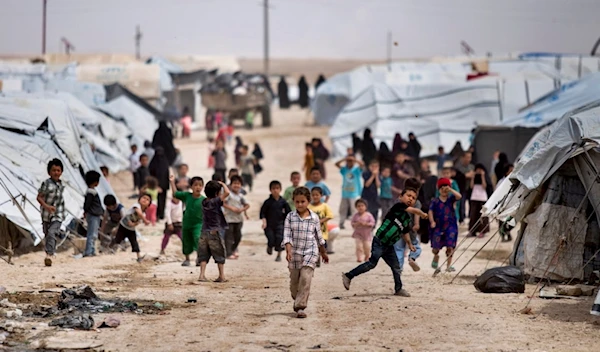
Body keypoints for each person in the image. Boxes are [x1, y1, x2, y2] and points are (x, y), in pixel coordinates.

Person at [342, 188, 428, 297]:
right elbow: (414, 211)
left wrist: (410, 244)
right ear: (401, 197)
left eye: (413, 198)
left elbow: (405, 232)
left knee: (396, 267)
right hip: (379, 241)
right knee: (372, 264)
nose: (410, 198)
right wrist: (421, 213)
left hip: (389, 246)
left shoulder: (406, 219)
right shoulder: (398, 206)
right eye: (408, 195)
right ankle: (348, 276)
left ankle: (398, 289)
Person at [283, 186, 329, 318]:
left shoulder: (314, 218)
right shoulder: (290, 217)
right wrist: (288, 250)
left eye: (302, 201)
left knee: (305, 277)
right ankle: (297, 296)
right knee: (294, 283)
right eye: (297, 202)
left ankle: (300, 306)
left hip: (310, 251)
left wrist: (323, 252)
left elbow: (319, 237)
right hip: (295, 253)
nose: (300, 204)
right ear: (293, 202)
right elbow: (287, 235)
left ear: (308, 201)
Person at [198, 180, 230, 282]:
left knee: (203, 254)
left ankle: (202, 275)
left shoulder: (204, 202)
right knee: (219, 253)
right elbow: (227, 193)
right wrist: (223, 184)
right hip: (215, 231)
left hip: (204, 231)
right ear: (217, 193)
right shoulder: (215, 201)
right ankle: (221, 276)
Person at [170, 175, 205, 267]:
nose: (198, 187)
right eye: (195, 185)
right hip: (186, 223)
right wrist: (172, 182)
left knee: (197, 239)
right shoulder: (186, 196)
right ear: (191, 187)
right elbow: (175, 194)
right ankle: (187, 259)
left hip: (198, 224)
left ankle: (199, 258)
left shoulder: (204, 200)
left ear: (202, 187)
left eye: (200, 185)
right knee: (186, 241)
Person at [429, 178, 462, 272]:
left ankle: (448, 265)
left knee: (450, 245)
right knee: (435, 247)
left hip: (450, 226)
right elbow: (430, 211)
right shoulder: (435, 201)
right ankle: (436, 256)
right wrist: (432, 221)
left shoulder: (451, 199)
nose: (444, 190)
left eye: (445, 188)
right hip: (438, 226)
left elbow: (459, 196)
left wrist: (450, 189)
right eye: (442, 188)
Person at [37, 159, 65, 267]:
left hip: (58, 214)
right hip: (46, 214)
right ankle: (50, 252)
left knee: (52, 232)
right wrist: (47, 207)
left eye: (58, 170)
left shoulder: (61, 185)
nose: (56, 173)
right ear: (49, 172)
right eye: (54, 170)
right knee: (47, 233)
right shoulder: (46, 184)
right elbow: (39, 197)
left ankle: (49, 255)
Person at [394, 178, 423, 272]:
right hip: (410, 230)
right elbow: (417, 214)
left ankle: (398, 269)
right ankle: (412, 258)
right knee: (416, 246)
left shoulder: (399, 200)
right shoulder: (416, 202)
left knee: (399, 249)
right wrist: (417, 224)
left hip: (398, 230)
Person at [111, 194, 151, 263]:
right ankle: (111, 247)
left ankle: (138, 256)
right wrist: (145, 220)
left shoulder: (144, 214)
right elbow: (139, 213)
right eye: (144, 198)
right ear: (139, 200)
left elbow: (138, 222)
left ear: (148, 205)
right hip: (123, 225)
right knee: (118, 239)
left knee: (134, 242)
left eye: (147, 200)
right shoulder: (136, 206)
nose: (145, 200)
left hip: (131, 229)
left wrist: (133, 224)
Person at [260, 180, 292, 262]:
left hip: (280, 224)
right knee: (271, 238)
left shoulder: (283, 202)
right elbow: (262, 213)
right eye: (273, 188)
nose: (275, 190)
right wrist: (264, 222)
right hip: (269, 225)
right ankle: (270, 246)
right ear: (270, 190)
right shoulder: (267, 202)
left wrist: (288, 224)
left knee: (280, 239)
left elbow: (289, 213)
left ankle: (279, 255)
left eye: (277, 188)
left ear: (280, 189)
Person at [223, 175, 249, 259]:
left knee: (238, 236)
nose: (236, 185)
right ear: (231, 185)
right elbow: (223, 203)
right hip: (229, 219)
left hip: (238, 219)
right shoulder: (229, 195)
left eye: (238, 184)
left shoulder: (241, 196)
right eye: (234, 183)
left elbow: (247, 205)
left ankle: (233, 249)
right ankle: (228, 253)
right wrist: (232, 208)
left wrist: (242, 209)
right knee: (229, 236)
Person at [336, 155, 364, 230]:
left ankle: (355, 224)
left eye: (351, 161)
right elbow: (337, 164)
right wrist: (345, 158)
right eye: (348, 161)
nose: (349, 162)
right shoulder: (344, 169)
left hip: (353, 193)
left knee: (354, 209)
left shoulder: (356, 170)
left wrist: (355, 160)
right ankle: (341, 223)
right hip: (345, 193)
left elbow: (362, 165)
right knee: (343, 209)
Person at [308, 187, 334, 260]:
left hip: (322, 232)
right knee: (313, 245)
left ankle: (320, 256)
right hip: (311, 231)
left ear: (321, 195)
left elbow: (330, 216)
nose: (315, 197)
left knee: (322, 245)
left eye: (317, 195)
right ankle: (317, 258)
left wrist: (320, 221)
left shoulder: (324, 206)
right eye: (313, 195)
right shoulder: (309, 207)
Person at [83, 171, 103, 257]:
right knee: (92, 234)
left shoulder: (91, 191)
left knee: (93, 233)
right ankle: (89, 251)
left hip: (94, 215)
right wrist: (86, 211)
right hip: (93, 215)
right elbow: (87, 204)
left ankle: (92, 250)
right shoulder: (91, 192)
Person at [469, 164, 490, 238]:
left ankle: (482, 231)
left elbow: (485, 186)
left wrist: (482, 176)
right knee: (473, 215)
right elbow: (471, 186)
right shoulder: (474, 177)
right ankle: (472, 231)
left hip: (482, 198)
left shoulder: (485, 177)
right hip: (474, 197)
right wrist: (473, 176)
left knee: (483, 216)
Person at [149, 146, 170, 220]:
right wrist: (155, 185)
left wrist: (167, 185)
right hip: (154, 186)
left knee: (162, 200)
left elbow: (167, 174)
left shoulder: (165, 162)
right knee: (155, 200)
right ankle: (155, 215)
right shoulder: (153, 164)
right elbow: (151, 175)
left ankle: (161, 214)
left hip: (164, 185)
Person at [454, 152, 475, 223]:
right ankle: (461, 218)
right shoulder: (459, 167)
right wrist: (466, 175)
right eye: (467, 157)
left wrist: (468, 175)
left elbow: (472, 175)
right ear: (463, 158)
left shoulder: (471, 166)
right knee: (461, 204)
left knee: (471, 204)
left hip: (470, 188)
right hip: (462, 188)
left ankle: (470, 217)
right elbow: (463, 175)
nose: (469, 159)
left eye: (470, 157)